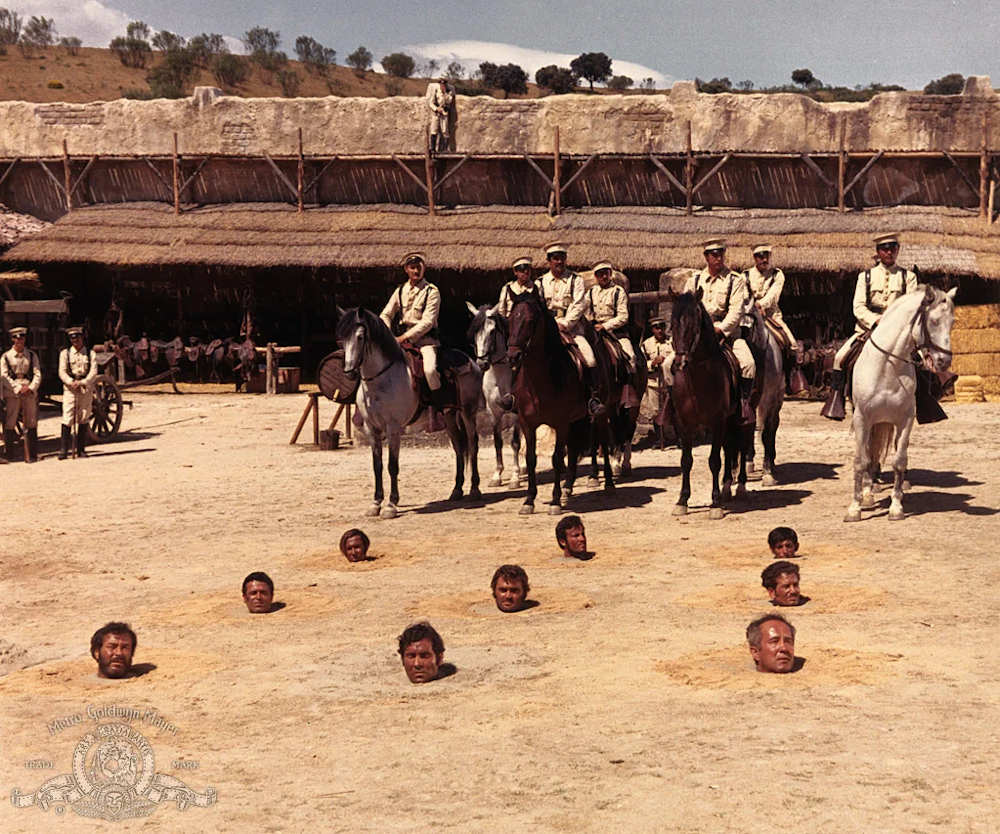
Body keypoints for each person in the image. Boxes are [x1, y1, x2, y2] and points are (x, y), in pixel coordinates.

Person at [822, 233, 918, 420]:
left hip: (898, 331)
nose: (889, 252)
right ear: (878, 252)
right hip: (868, 329)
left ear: (898, 250)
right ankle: (836, 402)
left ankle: (924, 402)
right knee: (840, 358)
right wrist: (875, 320)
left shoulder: (909, 277)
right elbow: (858, 306)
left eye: (893, 248)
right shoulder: (865, 277)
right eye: (885, 249)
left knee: (922, 360)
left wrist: (893, 321)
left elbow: (911, 306)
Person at [684, 239, 755, 421]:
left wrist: (721, 330)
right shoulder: (694, 280)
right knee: (670, 364)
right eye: (714, 255)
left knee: (748, 364)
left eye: (721, 254)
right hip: (698, 335)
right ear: (706, 257)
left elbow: (736, 311)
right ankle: (672, 405)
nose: (718, 258)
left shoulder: (735, 280)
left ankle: (743, 403)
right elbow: (686, 309)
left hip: (726, 334)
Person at [538, 243, 603, 415]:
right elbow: (538, 307)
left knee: (589, 358)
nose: (559, 262)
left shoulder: (576, 280)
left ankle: (592, 398)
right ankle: (516, 397)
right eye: (555, 258)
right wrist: (549, 325)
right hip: (547, 330)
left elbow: (579, 304)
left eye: (562, 258)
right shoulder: (540, 282)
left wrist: (566, 324)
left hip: (571, 329)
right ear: (549, 261)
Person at [380, 252, 443, 407]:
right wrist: (388, 334)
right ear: (406, 269)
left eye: (419, 267)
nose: (416, 271)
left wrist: (404, 337)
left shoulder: (431, 291)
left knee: (430, 371)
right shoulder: (400, 290)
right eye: (413, 268)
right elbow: (386, 314)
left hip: (425, 341)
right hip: (400, 341)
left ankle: (438, 406)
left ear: (424, 268)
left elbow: (428, 322)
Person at [1, 326, 41, 462]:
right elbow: (4, 376)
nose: (19, 340)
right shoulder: (6, 357)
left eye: (22, 337)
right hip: (13, 392)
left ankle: (32, 454)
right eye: (16, 338)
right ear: (12, 339)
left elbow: (37, 374)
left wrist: (31, 388)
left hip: (29, 391)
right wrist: (18, 388)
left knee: (31, 421)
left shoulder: (31, 355)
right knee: (10, 421)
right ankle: (10, 454)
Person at [586, 261, 635, 372]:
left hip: (616, 333)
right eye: (600, 274)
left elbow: (623, 316)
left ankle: (631, 382)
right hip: (595, 332)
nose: (604, 276)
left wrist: (605, 326)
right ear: (596, 276)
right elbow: (585, 311)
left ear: (610, 274)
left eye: (606, 273)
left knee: (631, 357)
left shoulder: (618, 291)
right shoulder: (591, 292)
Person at [58, 326, 98, 459]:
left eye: (78, 338)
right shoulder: (65, 354)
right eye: (72, 339)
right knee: (68, 416)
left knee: (84, 416)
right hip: (70, 389)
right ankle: (64, 450)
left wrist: (83, 382)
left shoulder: (90, 354)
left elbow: (93, 371)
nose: (75, 341)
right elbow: (62, 371)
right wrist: (71, 382)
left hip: (85, 388)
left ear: (82, 338)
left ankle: (81, 450)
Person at [642, 315, 673, 416]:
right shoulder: (646, 344)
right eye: (657, 328)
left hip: (668, 384)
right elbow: (642, 364)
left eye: (662, 328)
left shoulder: (671, 342)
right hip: (653, 384)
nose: (660, 331)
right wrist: (653, 363)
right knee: (654, 413)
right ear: (652, 329)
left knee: (669, 412)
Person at [425, 78, 454, 154]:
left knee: (445, 130)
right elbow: (431, 103)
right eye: (441, 84)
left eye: (443, 84)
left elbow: (449, 101)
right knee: (434, 130)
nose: (442, 86)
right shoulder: (436, 92)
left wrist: (445, 94)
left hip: (444, 113)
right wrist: (436, 109)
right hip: (436, 113)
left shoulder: (449, 92)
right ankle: (433, 149)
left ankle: (445, 149)